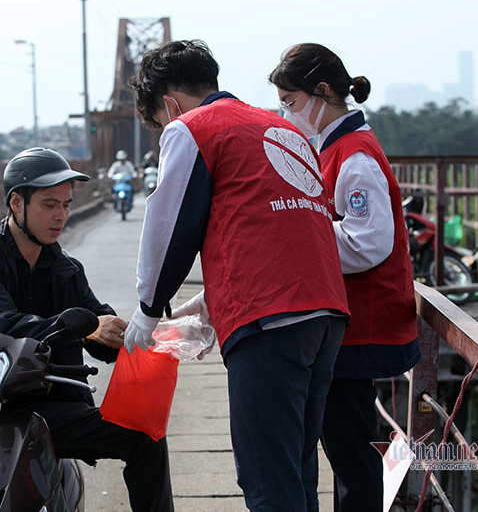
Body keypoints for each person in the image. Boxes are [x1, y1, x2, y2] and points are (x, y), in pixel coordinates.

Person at [126, 39, 350, 512]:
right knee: (297, 470)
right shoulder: (280, 128)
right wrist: (210, 302)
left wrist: (148, 311)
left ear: (169, 104)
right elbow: (272, 228)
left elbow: (168, 227)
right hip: (326, 312)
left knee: (267, 480)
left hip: (269, 322)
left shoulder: (193, 128)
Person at [0, 147, 175, 512]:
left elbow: (100, 328)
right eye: (49, 204)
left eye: (66, 205)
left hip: (47, 406)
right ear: (16, 203)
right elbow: (1, 325)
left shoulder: (66, 267)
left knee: (146, 436)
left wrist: (150, 335)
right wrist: (84, 331)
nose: (61, 215)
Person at [269, 43, 421, 512]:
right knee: (346, 448)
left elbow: (368, 244)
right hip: (349, 322)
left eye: (291, 102)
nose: (287, 113)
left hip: (363, 324)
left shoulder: (353, 155)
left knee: (352, 454)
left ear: (321, 92)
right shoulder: (335, 146)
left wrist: (302, 233)